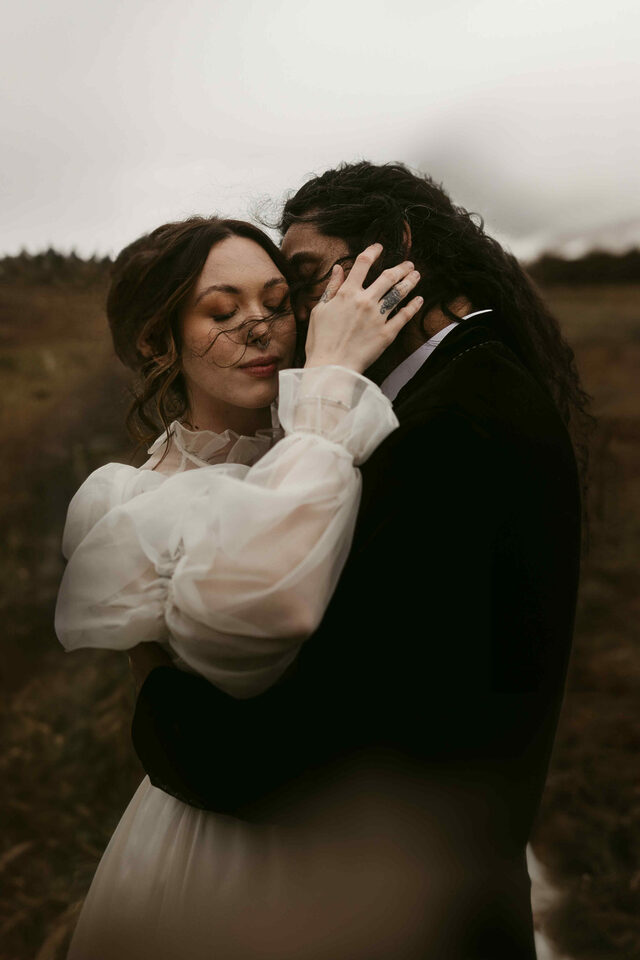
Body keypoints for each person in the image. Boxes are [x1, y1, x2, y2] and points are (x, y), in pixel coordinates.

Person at [130, 162, 588, 958]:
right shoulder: (448, 390)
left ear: (400, 245)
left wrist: (159, 717)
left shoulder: (457, 427)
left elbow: (336, 731)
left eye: (303, 282)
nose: (296, 320)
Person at [54, 215, 424, 958]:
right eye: (222, 312)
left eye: (278, 303)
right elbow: (251, 637)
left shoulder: (365, 437)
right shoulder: (123, 498)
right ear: (159, 342)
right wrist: (328, 396)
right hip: (224, 850)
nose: (260, 327)